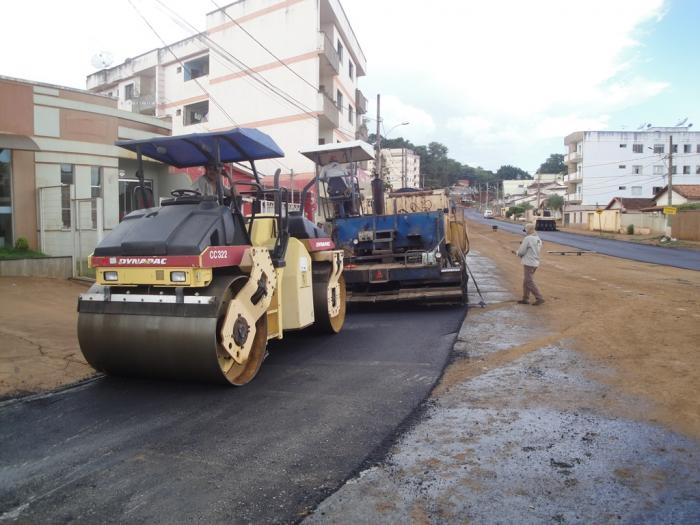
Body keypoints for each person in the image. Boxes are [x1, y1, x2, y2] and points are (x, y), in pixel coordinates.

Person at [514, 223, 544, 305]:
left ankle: (539, 297)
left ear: (528, 230)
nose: (525, 232)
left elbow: (521, 251)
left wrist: (517, 253)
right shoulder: (538, 239)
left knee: (529, 281)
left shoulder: (528, 238)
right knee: (526, 281)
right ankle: (525, 298)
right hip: (535, 262)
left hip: (529, 262)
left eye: (526, 230)